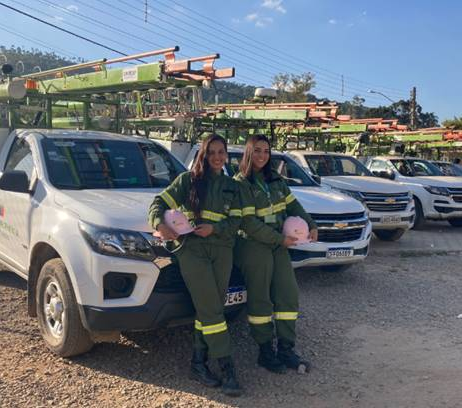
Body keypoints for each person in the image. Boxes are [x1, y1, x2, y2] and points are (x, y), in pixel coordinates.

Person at [148, 134, 243, 397]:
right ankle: (227, 368)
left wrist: (215, 228)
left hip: (222, 251)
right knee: (213, 309)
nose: (216, 157)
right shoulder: (187, 181)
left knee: (209, 309)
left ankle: (198, 363)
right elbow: (158, 204)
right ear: (203, 154)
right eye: (211, 152)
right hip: (192, 251)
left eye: (221, 152)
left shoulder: (232, 186)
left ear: (226, 155)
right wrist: (160, 224)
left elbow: (236, 223)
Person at [234, 134, 318, 374]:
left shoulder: (276, 180)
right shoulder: (241, 182)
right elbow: (249, 223)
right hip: (253, 245)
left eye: (266, 151)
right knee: (260, 297)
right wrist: (280, 239)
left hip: (278, 243)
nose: (262, 155)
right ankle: (264, 351)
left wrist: (310, 224)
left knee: (287, 293)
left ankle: (286, 348)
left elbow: (294, 206)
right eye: (257, 150)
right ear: (249, 153)